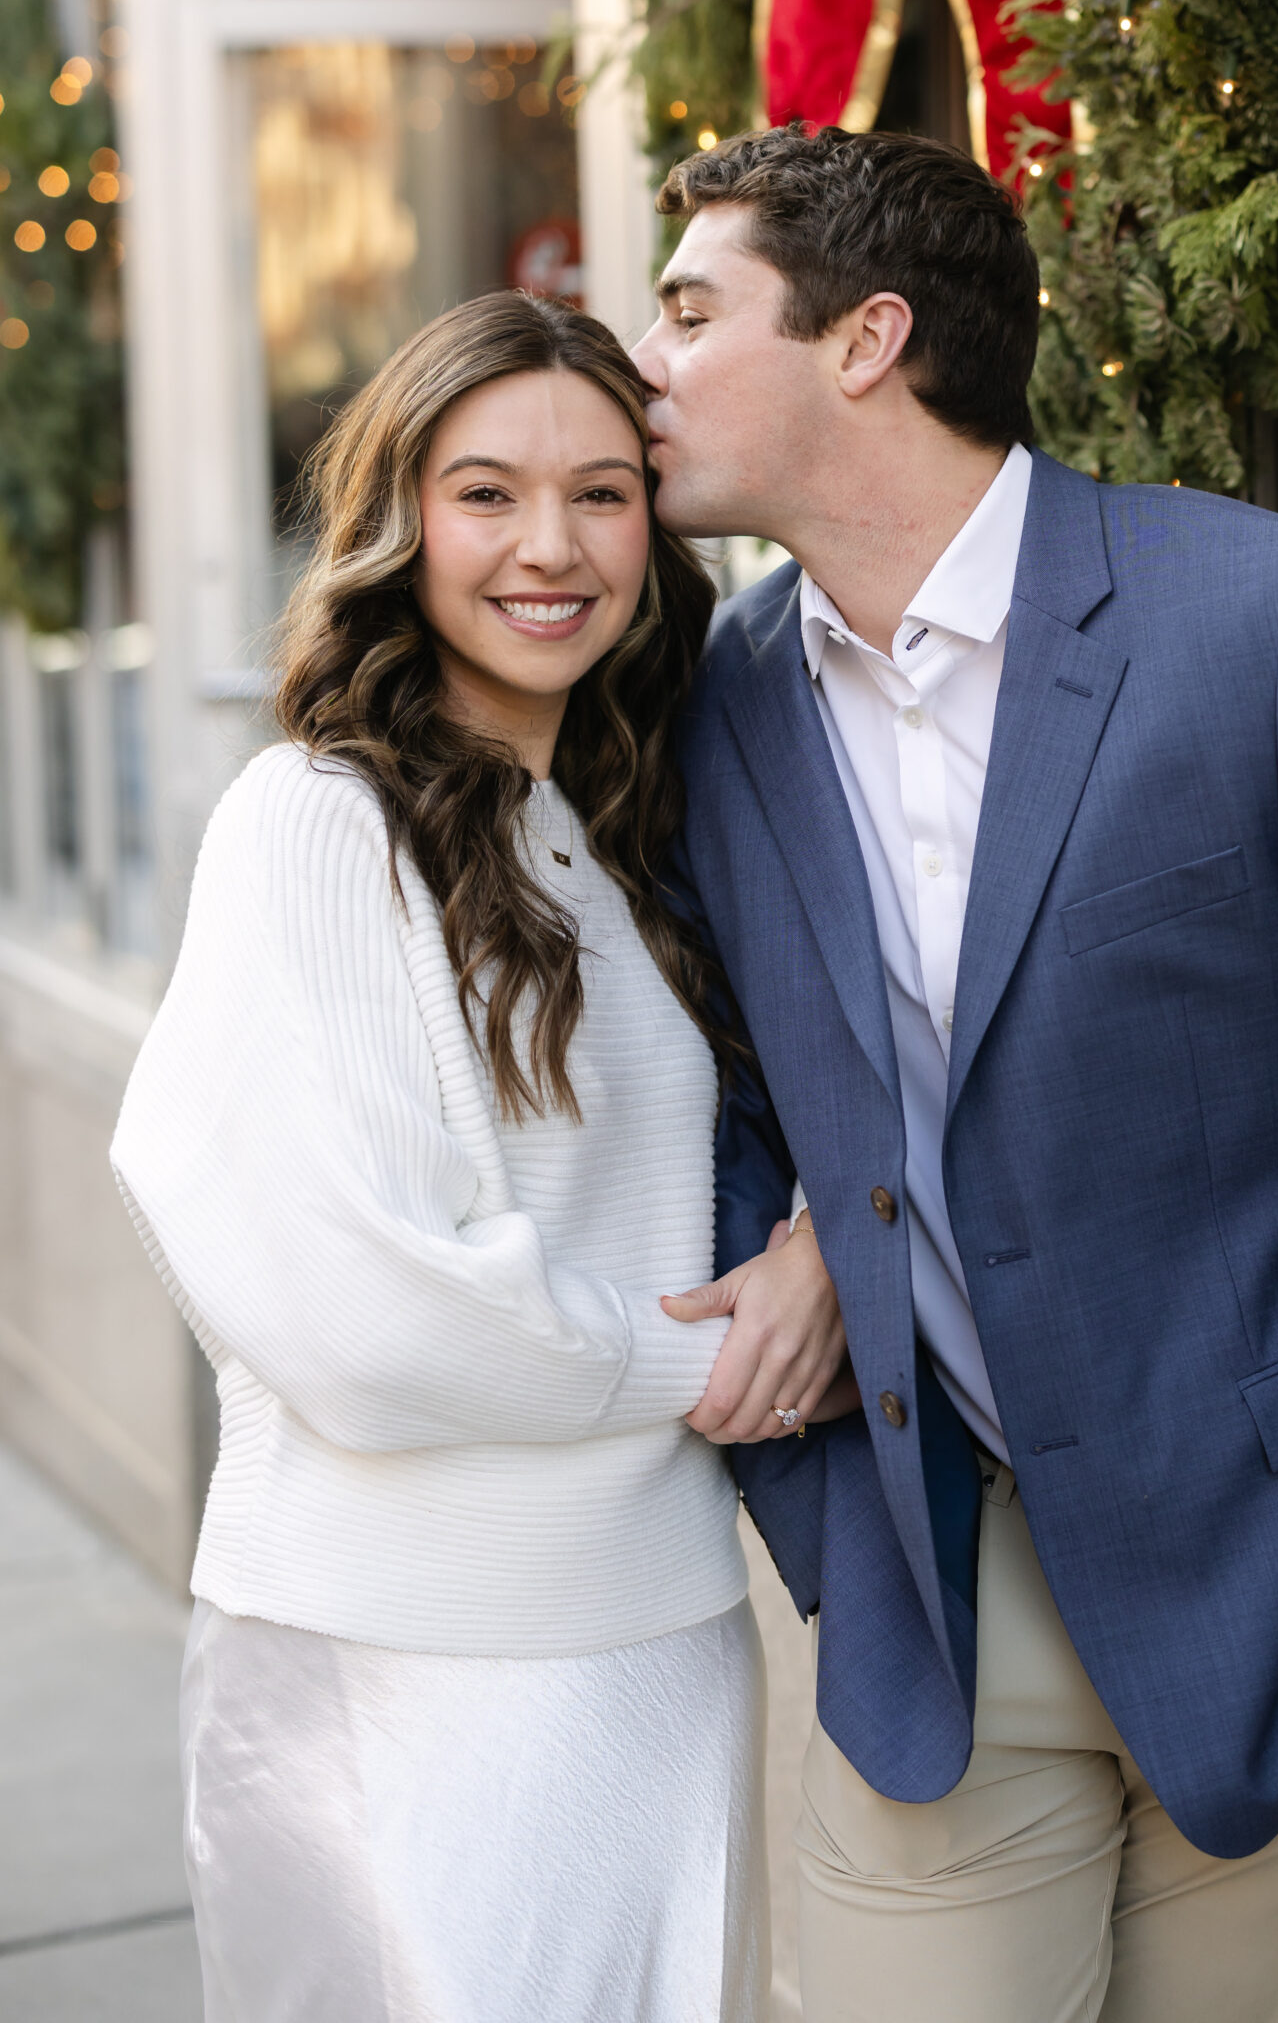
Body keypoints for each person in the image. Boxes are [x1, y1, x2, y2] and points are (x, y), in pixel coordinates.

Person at [635, 127, 1278, 2023]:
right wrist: (825, 1442)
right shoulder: (719, 699)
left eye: (685, 311)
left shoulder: (1273, 623)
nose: (639, 364)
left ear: (865, 340)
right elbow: (719, 1083)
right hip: (935, 1602)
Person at [111, 294, 843, 2023]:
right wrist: (715, 1352)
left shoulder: (616, 820)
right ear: (399, 521)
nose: (552, 547)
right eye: (487, 493)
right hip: (400, 1659)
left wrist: (820, 1246)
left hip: (654, 1635)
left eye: (602, 494)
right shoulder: (314, 823)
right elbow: (360, 1310)